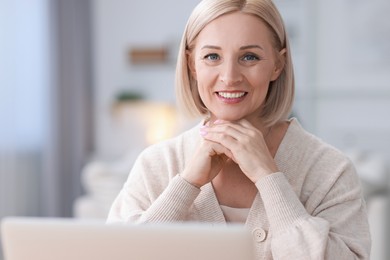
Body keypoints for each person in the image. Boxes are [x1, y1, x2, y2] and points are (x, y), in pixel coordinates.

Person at [107, 0, 371, 259]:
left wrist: (269, 178)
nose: (230, 76)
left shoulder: (331, 170)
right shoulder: (157, 164)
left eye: (249, 57)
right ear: (192, 64)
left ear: (277, 65)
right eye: (212, 56)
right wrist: (186, 184)